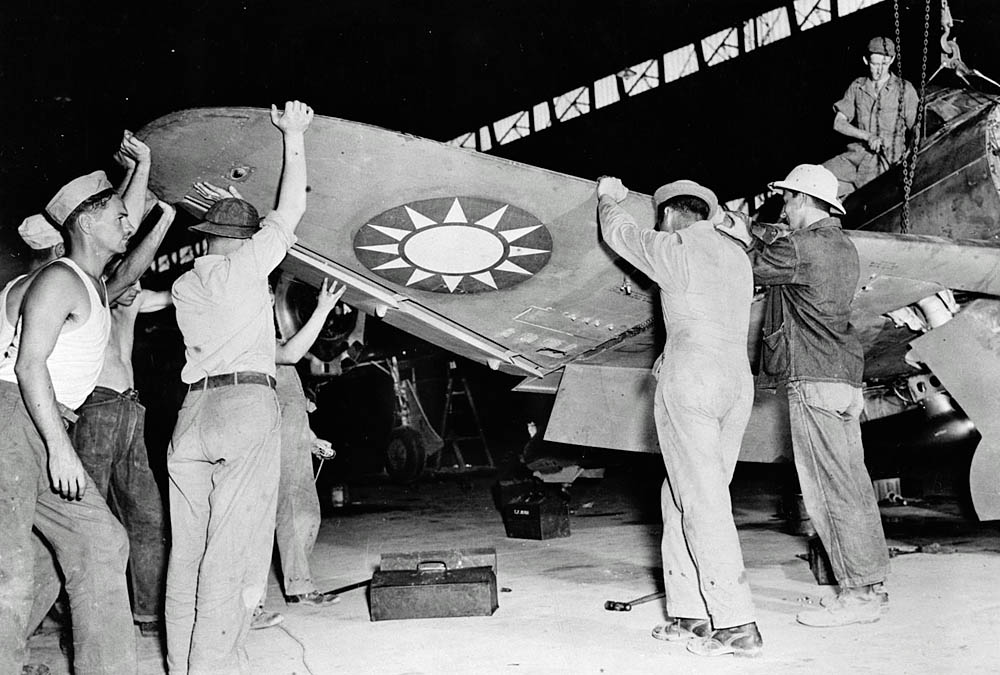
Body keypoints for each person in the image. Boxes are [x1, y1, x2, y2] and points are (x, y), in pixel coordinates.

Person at [165, 99, 314, 674]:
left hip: (191, 414)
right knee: (233, 550)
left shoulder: (183, 286)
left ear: (207, 237)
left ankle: (181, 664)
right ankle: (215, 667)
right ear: (243, 235)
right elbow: (292, 206)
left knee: (188, 555)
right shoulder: (250, 265)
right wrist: (293, 135)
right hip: (246, 406)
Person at [596, 177, 762, 657]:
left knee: (703, 500)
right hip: (736, 380)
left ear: (669, 214)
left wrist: (610, 196)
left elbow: (620, 234)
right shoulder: (737, 255)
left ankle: (736, 623)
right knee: (682, 493)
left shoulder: (675, 246)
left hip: (693, 377)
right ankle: (690, 613)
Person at [0, 171, 138, 674]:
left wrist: (143, 180)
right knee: (8, 571)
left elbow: (134, 220)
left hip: (41, 420)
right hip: (13, 419)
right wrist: (61, 450)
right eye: (119, 215)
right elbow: (28, 364)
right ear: (86, 221)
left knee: (101, 542)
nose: (129, 223)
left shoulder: (92, 284)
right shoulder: (59, 279)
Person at [748, 164, 889, 627]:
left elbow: (749, 264)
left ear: (803, 201)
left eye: (787, 200)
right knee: (854, 487)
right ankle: (870, 585)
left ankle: (857, 598)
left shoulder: (799, 247)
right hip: (846, 380)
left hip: (813, 379)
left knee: (828, 492)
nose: (783, 208)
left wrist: (736, 226)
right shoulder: (844, 247)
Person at [252, 277, 345, 630]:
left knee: (304, 512)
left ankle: (301, 587)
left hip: (290, 449)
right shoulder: (254, 342)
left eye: (269, 294)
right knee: (255, 525)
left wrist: (310, 438)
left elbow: (291, 404)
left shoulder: (279, 345)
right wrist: (322, 309)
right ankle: (251, 605)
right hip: (259, 447)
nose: (269, 301)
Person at [823, 36, 918, 197]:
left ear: (893, 59)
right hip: (855, 156)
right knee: (815, 178)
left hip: (886, 164)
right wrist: (868, 136)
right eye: (875, 64)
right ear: (866, 60)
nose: (880, 70)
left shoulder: (904, 89)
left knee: (863, 202)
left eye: (884, 64)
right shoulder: (857, 86)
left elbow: (917, 129)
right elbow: (839, 123)